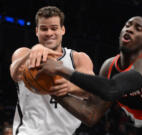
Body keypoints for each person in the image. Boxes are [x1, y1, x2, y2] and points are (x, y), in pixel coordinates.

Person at [37, 16, 142, 135]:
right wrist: (52, 90)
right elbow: (91, 115)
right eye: (127, 25)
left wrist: (60, 69)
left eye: (138, 28)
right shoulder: (109, 67)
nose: (130, 29)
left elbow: (112, 89)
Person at [10, 6, 95, 135]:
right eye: (44, 29)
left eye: (54, 28)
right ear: (36, 31)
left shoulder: (78, 58)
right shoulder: (24, 53)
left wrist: (69, 87)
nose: (49, 33)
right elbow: (15, 73)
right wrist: (33, 51)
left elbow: (92, 91)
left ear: (63, 30)